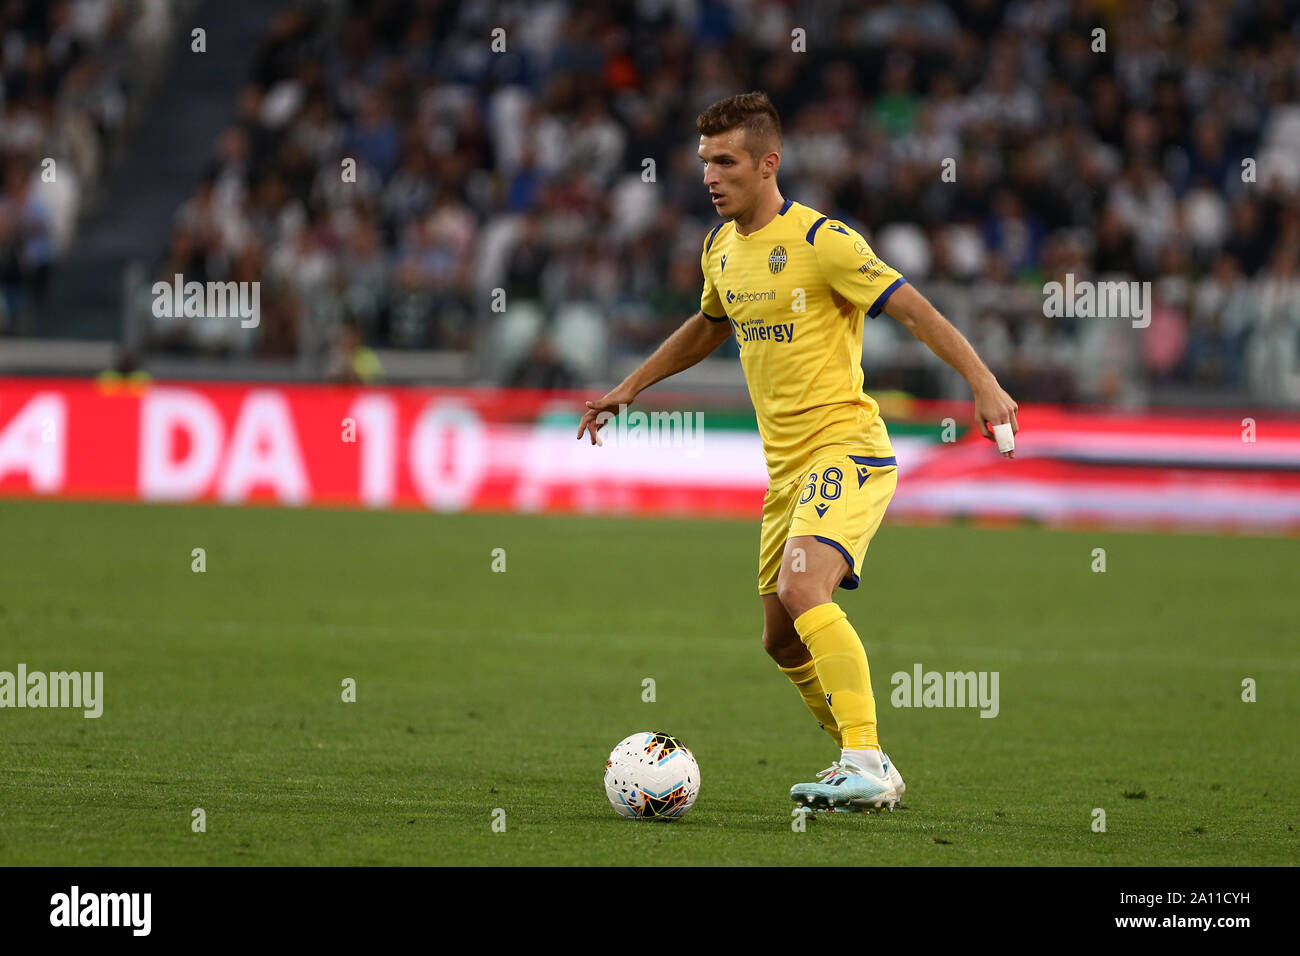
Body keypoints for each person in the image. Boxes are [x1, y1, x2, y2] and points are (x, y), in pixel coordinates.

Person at [577, 91, 1019, 811]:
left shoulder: (825, 242)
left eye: (726, 162)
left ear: (767, 164)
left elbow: (915, 310)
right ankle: (869, 762)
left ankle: (861, 757)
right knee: (781, 641)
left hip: (846, 448)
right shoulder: (720, 249)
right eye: (704, 162)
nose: (710, 176)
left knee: (803, 587)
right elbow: (710, 324)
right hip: (785, 473)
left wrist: (984, 384)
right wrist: (631, 386)